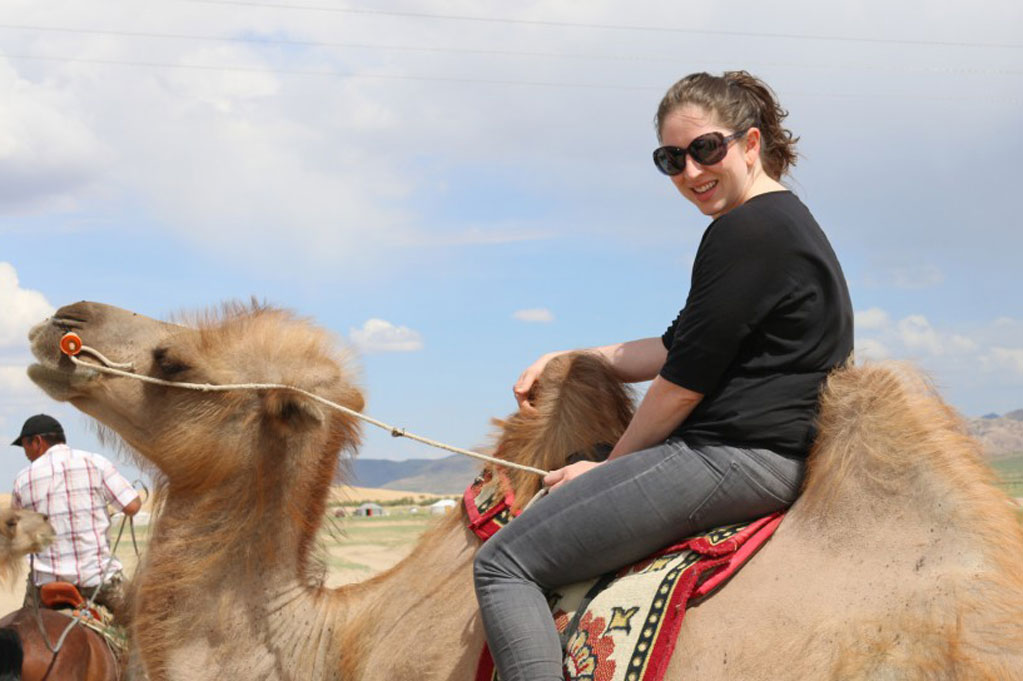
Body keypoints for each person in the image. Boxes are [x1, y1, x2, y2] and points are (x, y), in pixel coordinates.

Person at [473, 71, 854, 681]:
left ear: (750, 144)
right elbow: (673, 348)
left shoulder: (745, 232)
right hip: (755, 455)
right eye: (671, 158)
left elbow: (679, 386)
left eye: (706, 149)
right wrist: (570, 359)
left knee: (503, 565)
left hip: (731, 458)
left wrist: (608, 469)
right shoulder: (779, 224)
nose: (691, 172)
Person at [10, 413, 141, 614]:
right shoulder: (96, 463)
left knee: (21, 627)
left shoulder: (22, 479)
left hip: (46, 587)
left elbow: (18, 533)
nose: (26, 454)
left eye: (25, 446)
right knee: (144, 625)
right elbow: (132, 507)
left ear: (38, 442)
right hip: (99, 582)